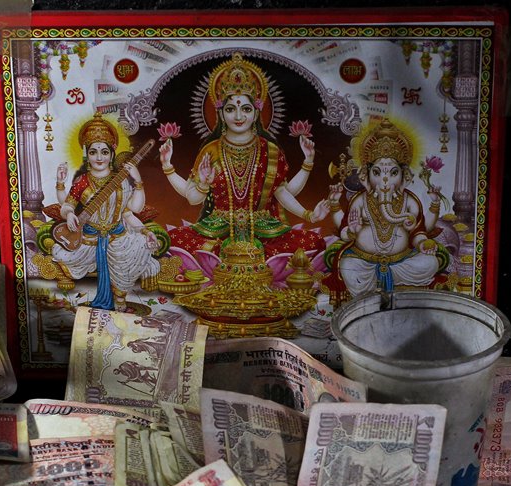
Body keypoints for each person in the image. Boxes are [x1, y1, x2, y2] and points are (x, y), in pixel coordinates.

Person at [159, 53, 329, 259]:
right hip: (217, 228)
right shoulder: (211, 150)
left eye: (246, 109)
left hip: (262, 228)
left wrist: (309, 213)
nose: (239, 117)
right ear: (221, 114)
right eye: (231, 109)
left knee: (313, 242)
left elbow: (281, 193)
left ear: (256, 113)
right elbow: (193, 199)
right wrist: (202, 183)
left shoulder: (270, 150)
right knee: (172, 240)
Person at [51, 112, 160, 312]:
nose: (99, 157)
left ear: (112, 154)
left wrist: (138, 182)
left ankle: (119, 301)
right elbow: (67, 204)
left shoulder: (121, 181)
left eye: (104, 152)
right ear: (87, 154)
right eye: (93, 152)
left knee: (139, 247)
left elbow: (132, 211)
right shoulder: (82, 181)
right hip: (89, 239)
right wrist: (69, 214)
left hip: (117, 237)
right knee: (59, 253)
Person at [327, 118, 443, 301]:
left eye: (393, 173)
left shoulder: (409, 201)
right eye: (378, 173)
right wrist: (352, 231)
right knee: (348, 266)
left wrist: (423, 244)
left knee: (429, 263)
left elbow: (418, 232)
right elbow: (344, 231)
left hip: (402, 263)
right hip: (364, 263)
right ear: (366, 176)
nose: (385, 180)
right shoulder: (360, 199)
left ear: (404, 176)